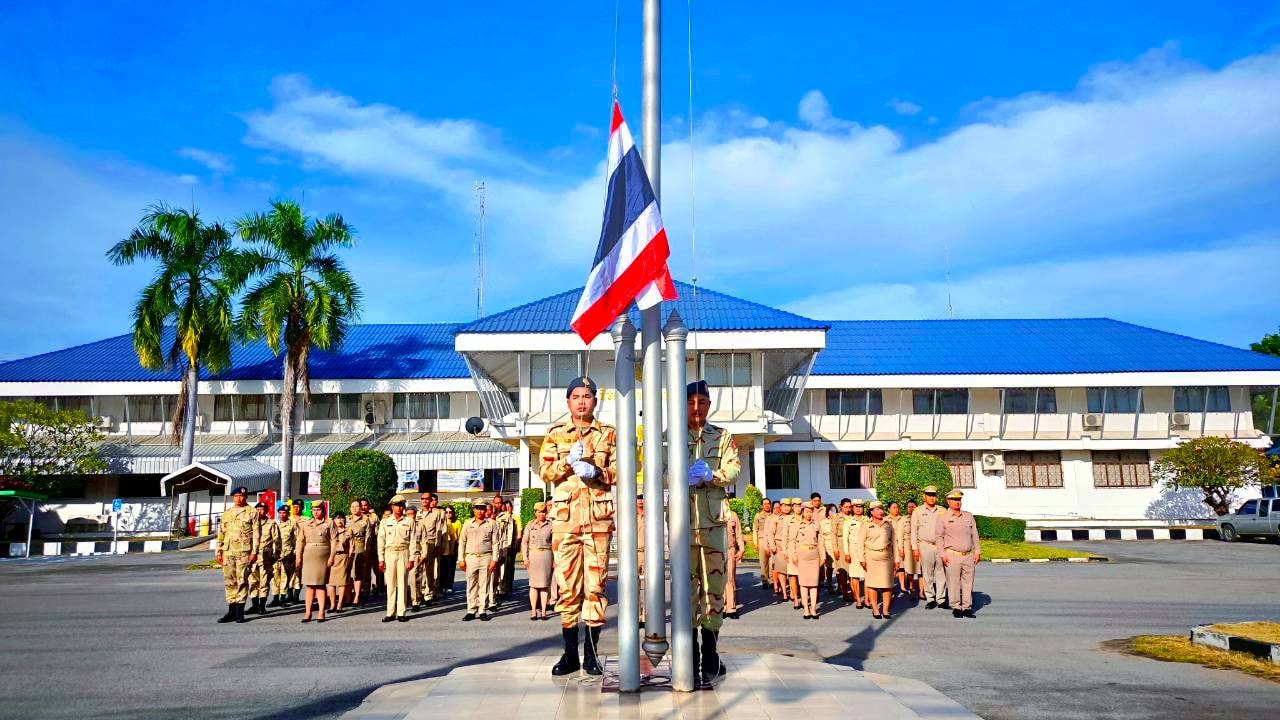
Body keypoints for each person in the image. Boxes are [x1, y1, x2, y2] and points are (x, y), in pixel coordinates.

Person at [539, 376, 617, 677]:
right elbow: (545, 470)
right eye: (576, 396)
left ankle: (592, 654)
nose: (582, 401)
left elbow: (622, 469)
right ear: (568, 401)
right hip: (566, 522)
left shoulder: (607, 435)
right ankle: (570, 654)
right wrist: (566, 464)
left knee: (595, 588)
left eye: (587, 396)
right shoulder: (556, 434)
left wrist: (596, 470)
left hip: (597, 522)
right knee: (569, 588)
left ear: (595, 401)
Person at [680, 380, 742, 684]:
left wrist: (712, 475)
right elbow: (659, 472)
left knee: (714, 588)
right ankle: (689, 655)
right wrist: (679, 476)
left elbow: (734, 469)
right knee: (686, 592)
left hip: (714, 524)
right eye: (691, 400)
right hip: (682, 525)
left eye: (702, 401)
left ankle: (711, 651)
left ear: (709, 404)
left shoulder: (722, 435)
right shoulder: (671, 437)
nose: (696, 407)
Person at [215, 486, 260, 624]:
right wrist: (218, 551)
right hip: (228, 551)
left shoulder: (252, 512)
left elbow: (257, 534)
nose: (239, 498)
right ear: (233, 497)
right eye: (236, 496)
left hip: (244, 552)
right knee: (229, 581)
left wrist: (254, 552)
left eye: (242, 496)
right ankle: (231, 611)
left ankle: (240, 612)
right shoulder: (227, 513)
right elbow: (221, 534)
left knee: (242, 581)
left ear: (246, 497)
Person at [938, 489, 981, 619]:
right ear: (948, 501)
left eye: (959, 500)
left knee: (968, 582)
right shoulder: (943, 517)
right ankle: (956, 606)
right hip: (952, 554)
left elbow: (975, 535)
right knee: (954, 582)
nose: (957, 502)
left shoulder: (968, 516)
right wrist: (942, 554)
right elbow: (939, 537)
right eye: (954, 500)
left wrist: (977, 551)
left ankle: (967, 607)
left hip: (968, 555)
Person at [459, 499, 499, 621]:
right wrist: (460, 559)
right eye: (477, 508)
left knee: (484, 584)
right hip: (471, 557)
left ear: (485, 509)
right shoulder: (467, 523)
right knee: (471, 584)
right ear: (473, 509)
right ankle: (471, 610)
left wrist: (494, 559)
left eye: (482, 508)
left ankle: (482, 610)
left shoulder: (491, 523)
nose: (480, 510)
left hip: (486, 557)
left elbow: (496, 543)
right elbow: (462, 542)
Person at [377, 495, 416, 623]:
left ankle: (401, 612)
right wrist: (381, 559)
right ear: (392, 506)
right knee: (390, 584)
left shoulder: (409, 521)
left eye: (401, 505)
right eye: (396, 505)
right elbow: (381, 541)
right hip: (390, 553)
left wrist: (411, 558)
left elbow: (413, 541)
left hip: (403, 552)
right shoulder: (385, 521)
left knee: (402, 584)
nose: (399, 508)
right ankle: (390, 612)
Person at [910, 485, 948, 610]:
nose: (932, 498)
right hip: (925, 545)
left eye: (933, 495)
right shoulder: (918, 511)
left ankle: (941, 599)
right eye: (929, 495)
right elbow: (913, 531)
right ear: (924, 496)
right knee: (927, 573)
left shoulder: (942, 510)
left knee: (941, 572)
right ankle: (930, 598)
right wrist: (915, 548)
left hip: (940, 545)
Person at [295, 501, 333, 623]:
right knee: (310, 585)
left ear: (323, 510)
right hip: (309, 556)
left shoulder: (329, 523)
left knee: (320, 585)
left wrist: (332, 557)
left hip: (323, 556)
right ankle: (308, 612)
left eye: (318, 510)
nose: (316, 512)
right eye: (314, 510)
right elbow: (300, 541)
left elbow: (334, 541)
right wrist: (298, 557)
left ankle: (321, 612)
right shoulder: (306, 524)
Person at [859, 500, 896, 619]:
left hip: (886, 557)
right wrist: (862, 559)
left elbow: (894, 543)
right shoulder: (865, 525)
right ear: (871, 511)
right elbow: (860, 544)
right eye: (877, 509)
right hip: (871, 558)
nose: (880, 511)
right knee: (872, 585)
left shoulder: (888, 524)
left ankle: (885, 610)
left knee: (887, 585)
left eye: (881, 509)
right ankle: (875, 609)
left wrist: (897, 560)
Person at [522, 501, 554, 620]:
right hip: (533, 556)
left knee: (545, 585)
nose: (542, 514)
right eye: (539, 512)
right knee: (534, 585)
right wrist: (525, 558)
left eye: (544, 512)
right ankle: (534, 611)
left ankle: (544, 611)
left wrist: (554, 560)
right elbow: (524, 542)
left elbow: (554, 543)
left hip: (546, 555)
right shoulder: (530, 525)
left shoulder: (551, 525)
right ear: (535, 513)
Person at [248, 501, 281, 616]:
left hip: (266, 557)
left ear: (266, 511)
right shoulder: (250, 524)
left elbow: (277, 541)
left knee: (264, 582)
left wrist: (275, 556)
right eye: (257, 509)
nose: (259, 511)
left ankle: (262, 606)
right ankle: (254, 605)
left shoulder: (271, 524)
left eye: (262, 509)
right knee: (252, 582)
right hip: (252, 558)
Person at [417, 492, 447, 608]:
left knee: (428, 570)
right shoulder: (417, 514)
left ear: (431, 500)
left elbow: (440, 531)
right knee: (418, 570)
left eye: (427, 499)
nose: (425, 501)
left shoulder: (436, 514)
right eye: (423, 499)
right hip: (418, 544)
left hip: (430, 543)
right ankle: (419, 593)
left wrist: (438, 545)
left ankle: (428, 595)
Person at [792, 504, 822, 619]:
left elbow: (820, 541)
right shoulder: (797, 525)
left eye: (811, 512)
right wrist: (794, 556)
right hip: (802, 555)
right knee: (804, 584)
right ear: (803, 512)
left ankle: (813, 608)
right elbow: (793, 542)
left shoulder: (816, 524)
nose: (809, 514)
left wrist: (822, 556)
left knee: (814, 584)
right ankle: (805, 609)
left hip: (814, 555)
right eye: (807, 511)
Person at [722, 496, 746, 620]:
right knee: (717, 580)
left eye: (725, 499)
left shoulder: (733, 515)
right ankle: (721, 607)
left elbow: (739, 534)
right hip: (715, 551)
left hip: (730, 549)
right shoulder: (713, 513)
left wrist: (741, 549)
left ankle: (731, 608)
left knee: (730, 579)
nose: (724, 502)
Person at [271, 503, 299, 608]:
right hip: (275, 556)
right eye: (281, 513)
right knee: (274, 578)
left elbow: (297, 539)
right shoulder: (274, 523)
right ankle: (275, 598)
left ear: (288, 514)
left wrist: (295, 553)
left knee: (285, 578)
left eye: (285, 513)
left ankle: (283, 598)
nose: (282, 515)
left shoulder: (292, 524)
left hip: (287, 555)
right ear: (278, 513)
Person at [841, 500, 867, 608]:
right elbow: (845, 539)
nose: (858, 508)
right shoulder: (848, 521)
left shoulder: (868, 520)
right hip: (853, 550)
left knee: (867, 575)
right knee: (855, 575)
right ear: (852, 508)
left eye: (860, 506)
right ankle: (858, 600)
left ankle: (867, 598)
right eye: (856, 507)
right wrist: (847, 553)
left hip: (865, 550)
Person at [490, 498, 515, 607]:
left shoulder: (506, 516)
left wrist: (507, 545)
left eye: (500, 503)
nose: (498, 505)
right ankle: (492, 592)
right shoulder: (490, 514)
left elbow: (510, 531)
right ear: (493, 504)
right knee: (493, 571)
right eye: (496, 503)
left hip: (502, 545)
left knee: (502, 569)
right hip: (491, 546)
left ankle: (502, 589)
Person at [347, 501, 371, 607]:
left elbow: (368, 537)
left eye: (357, 506)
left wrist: (366, 551)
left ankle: (356, 596)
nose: (354, 508)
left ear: (361, 508)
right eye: (352, 507)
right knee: (347, 573)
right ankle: (347, 596)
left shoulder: (365, 520)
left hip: (359, 547)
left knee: (357, 573)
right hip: (347, 548)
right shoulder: (346, 519)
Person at [888, 501, 914, 598]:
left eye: (897, 507)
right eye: (893, 507)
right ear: (889, 509)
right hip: (891, 545)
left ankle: (903, 586)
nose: (896, 509)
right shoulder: (886, 519)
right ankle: (891, 586)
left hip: (901, 544)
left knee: (901, 566)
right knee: (892, 568)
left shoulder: (902, 519)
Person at [328, 512, 352, 612]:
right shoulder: (329, 532)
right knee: (331, 583)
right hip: (331, 558)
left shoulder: (348, 532)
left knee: (342, 583)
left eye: (342, 518)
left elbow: (351, 547)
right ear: (333, 520)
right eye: (337, 518)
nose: (340, 520)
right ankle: (332, 604)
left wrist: (349, 559)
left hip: (343, 557)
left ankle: (339, 605)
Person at [769, 499, 791, 601]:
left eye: (789, 505)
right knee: (782, 570)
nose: (787, 507)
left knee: (792, 571)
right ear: (781, 507)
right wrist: (772, 545)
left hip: (791, 546)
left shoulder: (793, 518)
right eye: (784, 505)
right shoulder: (777, 519)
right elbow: (771, 533)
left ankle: (792, 590)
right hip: (779, 547)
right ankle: (784, 592)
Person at [785, 497, 804, 610]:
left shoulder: (805, 517)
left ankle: (803, 597)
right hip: (791, 548)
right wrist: (785, 551)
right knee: (792, 574)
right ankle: (796, 599)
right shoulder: (788, 519)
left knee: (802, 575)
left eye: (799, 505)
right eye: (795, 505)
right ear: (792, 507)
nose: (798, 508)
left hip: (803, 549)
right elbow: (784, 537)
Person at [404, 506, 423, 611]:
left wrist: (423, 554)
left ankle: (416, 602)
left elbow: (423, 540)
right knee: (403, 578)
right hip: (403, 552)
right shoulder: (403, 524)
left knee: (414, 578)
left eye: (412, 513)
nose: (411, 516)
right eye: (408, 514)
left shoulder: (420, 525)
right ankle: (404, 600)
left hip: (416, 552)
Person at [441, 505, 461, 596]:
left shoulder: (457, 522)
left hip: (453, 545)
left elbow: (458, 536)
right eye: (446, 512)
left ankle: (449, 585)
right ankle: (442, 585)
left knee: (451, 567)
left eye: (450, 512)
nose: (448, 514)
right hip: (443, 545)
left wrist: (456, 549)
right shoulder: (441, 522)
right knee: (443, 567)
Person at [753, 498, 773, 588]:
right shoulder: (758, 516)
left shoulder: (773, 515)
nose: (767, 505)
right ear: (762, 505)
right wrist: (755, 542)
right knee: (763, 561)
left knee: (772, 561)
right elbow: (755, 530)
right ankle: (765, 580)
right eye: (765, 504)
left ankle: (772, 580)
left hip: (771, 540)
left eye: (768, 503)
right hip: (761, 539)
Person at [502, 500, 520, 597]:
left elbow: (519, 532)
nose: (508, 509)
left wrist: (517, 544)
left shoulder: (515, 518)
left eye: (510, 507)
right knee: (503, 567)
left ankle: (509, 585)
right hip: (503, 546)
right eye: (506, 507)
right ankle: (503, 586)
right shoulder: (501, 517)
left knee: (510, 566)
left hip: (512, 546)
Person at [905, 500, 921, 598]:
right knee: (910, 570)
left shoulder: (921, 518)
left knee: (920, 570)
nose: (911, 508)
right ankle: (911, 588)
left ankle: (921, 591)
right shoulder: (903, 519)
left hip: (920, 546)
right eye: (909, 507)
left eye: (913, 506)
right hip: (908, 547)